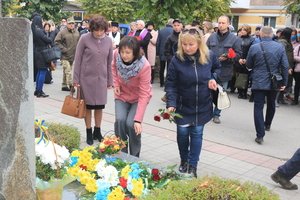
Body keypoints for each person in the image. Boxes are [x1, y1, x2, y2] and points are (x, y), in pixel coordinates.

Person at [165, 27, 220, 178]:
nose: (187, 48)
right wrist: (171, 103)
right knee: (182, 134)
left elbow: (217, 69)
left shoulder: (209, 56)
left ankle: (193, 165)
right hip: (182, 106)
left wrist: (213, 78)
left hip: (203, 105)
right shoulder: (177, 60)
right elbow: (170, 84)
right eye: (184, 44)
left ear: (199, 44)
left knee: (197, 134)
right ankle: (184, 160)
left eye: (191, 45)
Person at [73, 15, 113, 145]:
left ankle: (98, 130)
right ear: (92, 29)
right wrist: (76, 79)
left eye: (102, 30)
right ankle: (88, 131)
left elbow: (109, 62)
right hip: (86, 79)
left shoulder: (108, 41)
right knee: (89, 107)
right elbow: (78, 60)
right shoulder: (84, 39)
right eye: (96, 30)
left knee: (100, 107)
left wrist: (110, 81)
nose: (99, 33)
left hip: (101, 78)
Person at [246, 26, 289, 144]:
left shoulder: (254, 47)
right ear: (272, 35)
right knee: (271, 103)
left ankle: (260, 135)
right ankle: (267, 124)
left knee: (258, 107)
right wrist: (284, 83)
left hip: (259, 81)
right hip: (274, 81)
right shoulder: (280, 47)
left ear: (260, 34)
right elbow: (285, 66)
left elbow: (249, 65)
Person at [112, 36, 152, 157]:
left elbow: (144, 94)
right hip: (122, 95)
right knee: (120, 120)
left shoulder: (144, 66)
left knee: (131, 124)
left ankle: (134, 156)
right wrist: (116, 84)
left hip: (138, 97)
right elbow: (113, 67)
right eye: (122, 52)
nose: (124, 55)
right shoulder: (116, 55)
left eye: (128, 52)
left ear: (135, 52)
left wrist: (138, 120)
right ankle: (121, 153)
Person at [206, 15, 242, 124]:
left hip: (225, 70)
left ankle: (216, 114)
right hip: (211, 70)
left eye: (223, 23)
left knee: (221, 93)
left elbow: (239, 55)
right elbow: (205, 51)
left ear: (228, 24)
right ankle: (208, 112)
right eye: (219, 23)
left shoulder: (235, 39)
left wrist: (229, 56)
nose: (220, 25)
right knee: (208, 92)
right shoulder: (212, 37)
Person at [31, 13, 55, 97]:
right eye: (41, 20)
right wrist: (52, 32)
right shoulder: (40, 31)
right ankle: (40, 91)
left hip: (37, 52)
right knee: (43, 71)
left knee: (39, 71)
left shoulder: (34, 30)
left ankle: (37, 90)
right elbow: (48, 40)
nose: (42, 22)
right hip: (43, 53)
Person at [55, 17, 80, 92]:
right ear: (67, 24)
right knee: (68, 71)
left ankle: (64, 85)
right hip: (64, 56)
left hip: (73, 55)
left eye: (73, 23)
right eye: (70, 23)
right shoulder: (62, 32)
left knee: (66, 70)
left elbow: (79, 42)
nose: (72, 25)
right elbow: (56, 41)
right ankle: (71, 85)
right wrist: (64, 49)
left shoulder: (77, 32)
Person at [236, 24, 254, 99]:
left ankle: (244, 92)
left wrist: (247, 59)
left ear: (248, 31)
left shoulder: (252, 39)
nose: (242, 31)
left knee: (245, 76)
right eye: (241, 29)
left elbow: (252, 50)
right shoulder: (237, 39)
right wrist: (238, 58)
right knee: (238, 76)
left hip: (247, 60)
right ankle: (240, 92)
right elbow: (233, 50)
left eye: (244, 30)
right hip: (238, 60)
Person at [156, 18, 173, 87]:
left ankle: (161, 83)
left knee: (162, 68)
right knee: (169, 68)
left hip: (162, 51)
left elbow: (158, 42)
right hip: (170, 52)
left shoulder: (161, 30)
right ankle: (167, 83)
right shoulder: (173, 31)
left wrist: (157, 52)